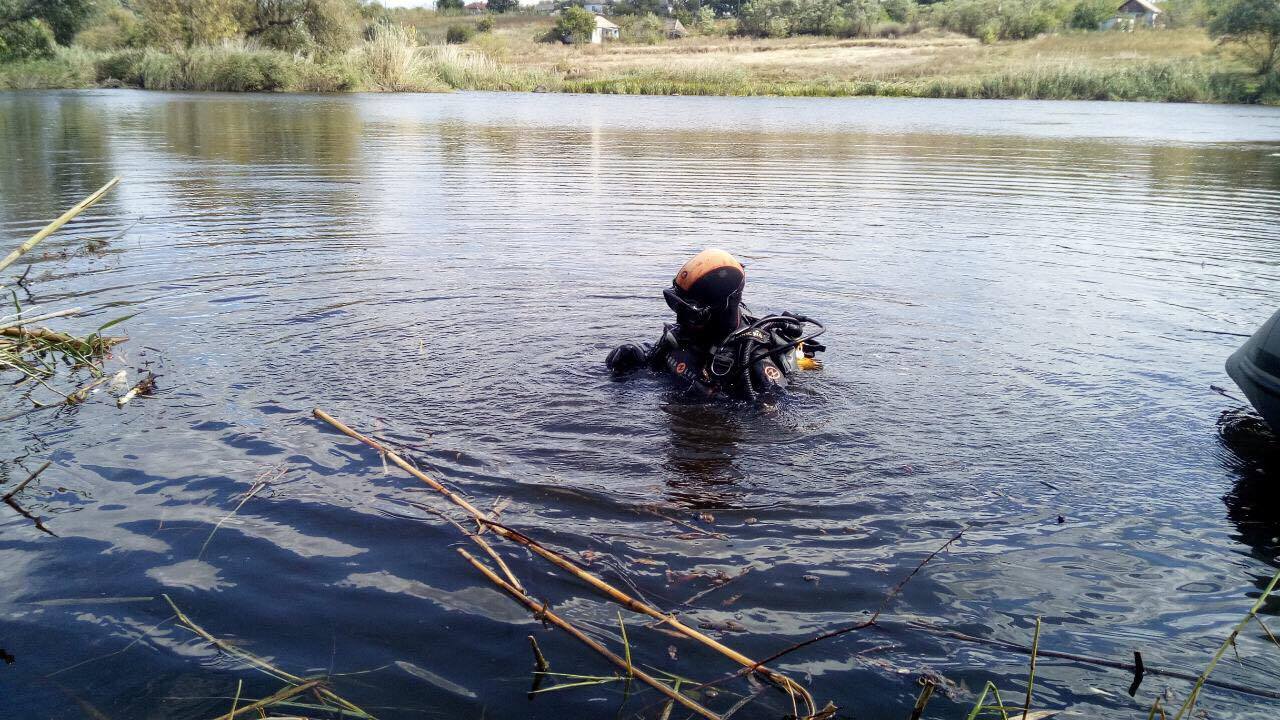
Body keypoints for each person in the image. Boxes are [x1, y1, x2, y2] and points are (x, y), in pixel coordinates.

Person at [606, 248, 826, 402]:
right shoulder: (686, 335)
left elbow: (778, 419)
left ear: (720, 310)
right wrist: (634, 354)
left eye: (691, 313)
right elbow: (651, 358)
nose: (679, 320)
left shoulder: (753, 362)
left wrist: (718, 406)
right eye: (677, 306)